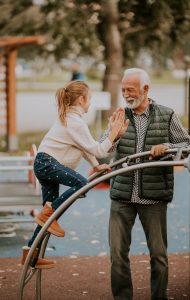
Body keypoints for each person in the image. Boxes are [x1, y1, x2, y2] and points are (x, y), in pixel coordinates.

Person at [21, 80, 126, 269]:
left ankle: (30, 253)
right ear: (82, 99)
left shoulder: (71, 119)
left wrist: (96, 166)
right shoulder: (74, 122)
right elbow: (99, 150)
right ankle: (47, 213)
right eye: (90, 99)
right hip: (48, 164)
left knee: (51, 216)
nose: (90, 103)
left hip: (45, 164)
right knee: (82, 185)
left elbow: (85, 149)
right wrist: (113, 132)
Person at [108, 68, 190, 300]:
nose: (125, 94)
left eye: (130, 90)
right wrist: (113, 133)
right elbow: (107, 149)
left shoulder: (166, 115)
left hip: (153, 196)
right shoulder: (120, 115)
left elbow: (185, 144)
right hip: (122, 194)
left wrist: (167, 146)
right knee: (117, 254)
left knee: (158, 255)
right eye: (123, 90)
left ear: (145, 89)